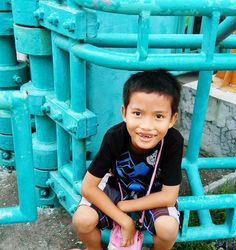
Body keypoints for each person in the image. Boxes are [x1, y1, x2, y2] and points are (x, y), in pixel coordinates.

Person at [72, 70, 184, 250]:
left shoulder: (173, 141)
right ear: (124, 113)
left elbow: (169, 196)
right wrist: (124, 220)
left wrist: (126, 206)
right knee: (82, 220)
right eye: (138, 113)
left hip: (153, 193)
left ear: (172, 119)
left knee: (168, 229)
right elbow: (88, 187)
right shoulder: (114, 137)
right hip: (117, 187)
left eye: (158, 116)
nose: (147, 126)